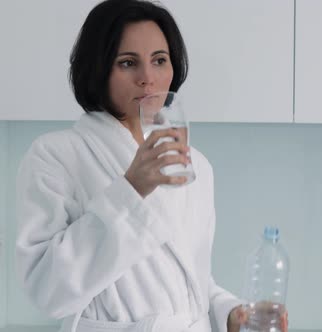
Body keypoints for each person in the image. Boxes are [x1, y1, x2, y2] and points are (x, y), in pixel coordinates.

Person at [14, 1, 288, 332]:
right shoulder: (56, 156)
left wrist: (231, 314)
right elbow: (47, 292)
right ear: (98, 69)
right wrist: (130, 190)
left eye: (159, 60)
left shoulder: (195, 164)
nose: (148, 78)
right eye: (128, 63)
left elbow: (191, 280)